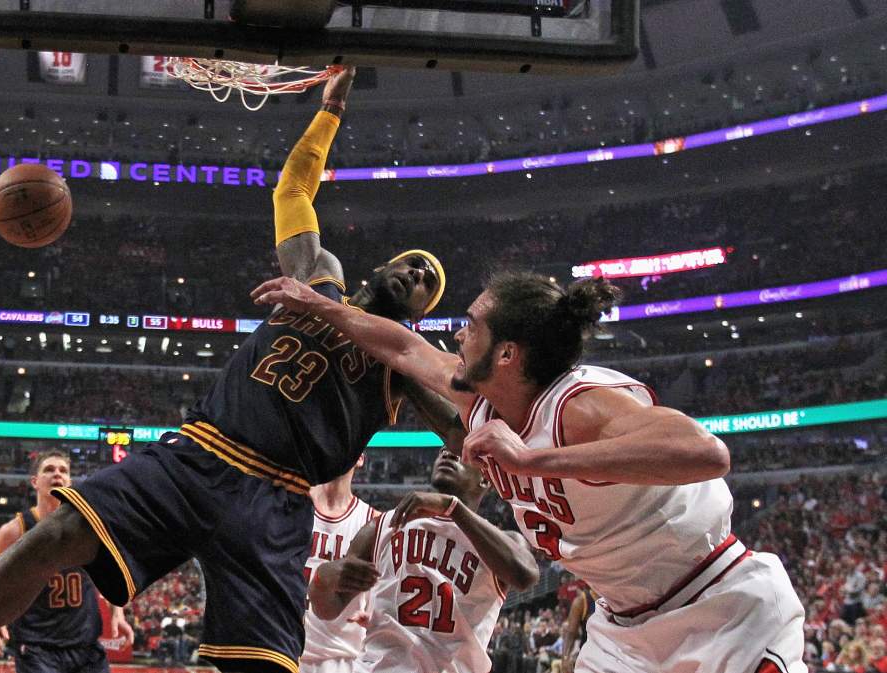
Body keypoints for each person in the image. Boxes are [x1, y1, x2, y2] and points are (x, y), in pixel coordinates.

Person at [0, 66, 464, 673]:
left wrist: (469, 476)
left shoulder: (404, 361)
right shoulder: (319, 276)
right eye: (414, 263)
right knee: (56, 534)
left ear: (419, 313)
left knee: (265, 666)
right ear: (384, 265)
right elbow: (293, 192)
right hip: (199, 453)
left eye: (427, 283)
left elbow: (466, 428)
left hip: (275, 498)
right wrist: (329, 112)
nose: (417, 274)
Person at [251, 270, 806, 673]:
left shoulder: (579, 405)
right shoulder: (480, 399)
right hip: (623, 629)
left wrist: (531, 460)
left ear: (507, 354)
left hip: (719, 603)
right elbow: (402, 347)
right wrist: (318, 304)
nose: (458, 336)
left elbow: (706, 452)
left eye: (472, 326)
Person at [309, 447, 538, 673]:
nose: (447, 454)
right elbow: (328, 610)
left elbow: (526, 575)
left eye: (461, 453)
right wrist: (321, 580)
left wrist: (453, 508)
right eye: (443, 450)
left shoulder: (502, 542)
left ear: (485, 480)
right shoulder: (380, 526)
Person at [0, 451, 133, 673]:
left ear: (69, 482)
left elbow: (111, 573)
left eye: (63, 471)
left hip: (86, 647)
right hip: (37, 648)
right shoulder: (15, 530)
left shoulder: (88, 526)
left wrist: (118, 614)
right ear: (35, 481)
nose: (57, 474)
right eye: (49, 470)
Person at [301, 455, 378, 673]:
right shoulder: (289, 506)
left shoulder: (374, 522)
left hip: (343, 660)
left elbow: (381, 601)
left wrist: (376, 617)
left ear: (360, 458)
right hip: (283, 651)